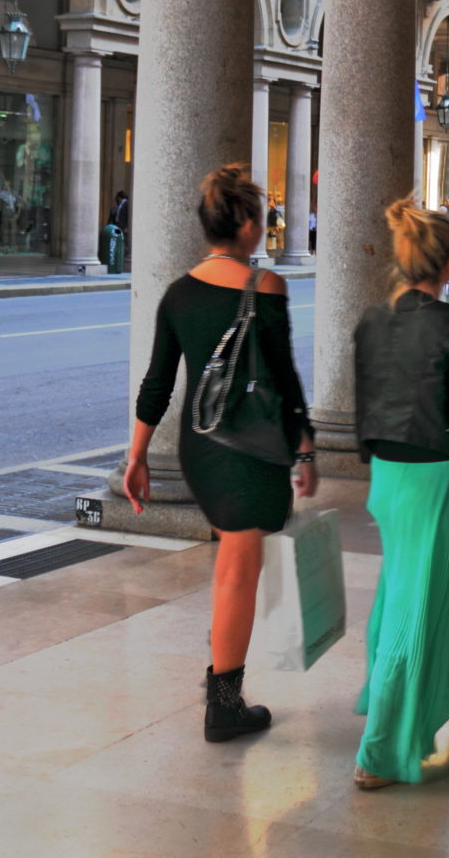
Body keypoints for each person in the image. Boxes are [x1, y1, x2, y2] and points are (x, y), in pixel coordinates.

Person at [125, 165, 317, 743]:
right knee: (237, 571)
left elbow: (158, 383)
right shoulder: (266, 286)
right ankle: (224, 706)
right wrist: (304, 447)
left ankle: (224, 688)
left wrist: (137, 456)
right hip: (248, 447)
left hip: (199, 447)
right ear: (248, 225)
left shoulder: (178, 293)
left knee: (233, 564)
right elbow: (283, 377)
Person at [349, 198, 449, 788]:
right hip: (433, 478)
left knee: (411, 590)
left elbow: (365, 404)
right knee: (412, 610)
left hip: (387, 476)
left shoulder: (371, 319)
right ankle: (378, 752)